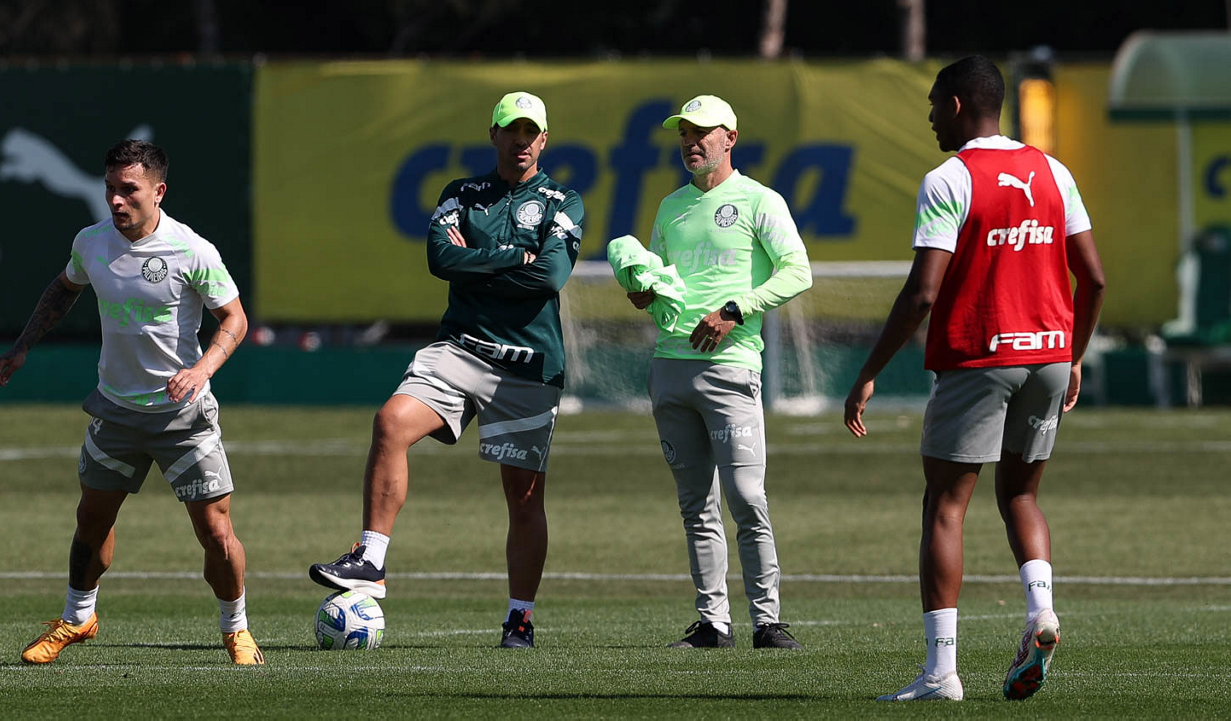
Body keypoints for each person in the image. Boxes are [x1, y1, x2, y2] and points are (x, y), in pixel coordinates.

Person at [843, 56, 1106, 701]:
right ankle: (1040, 611)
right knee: (1020, 496)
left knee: (945, 505)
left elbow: (923, 293)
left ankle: (941, 674)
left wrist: (869, 371)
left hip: (979, 357)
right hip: (1048, 355)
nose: (931, 118)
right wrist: (1073, 356)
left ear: (957, 105)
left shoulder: (949, 178)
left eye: (934, 104)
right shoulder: (1054, 171)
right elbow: (1095, 278)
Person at [308, 91, 583, 649]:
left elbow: (551, 277)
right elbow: (441, 259)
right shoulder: (461, 193)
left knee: (523, 498)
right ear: (494, 134)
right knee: (390, 422)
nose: (521, 141)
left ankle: (520, 619)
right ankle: (371, 560)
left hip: (528, 364)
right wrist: (516, 256)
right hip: (458, 350)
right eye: (511, 130)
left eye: (531, 132)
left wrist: (478, 261)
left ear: (544, 139)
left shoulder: (564, 201)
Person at [0, 140, 263, 665]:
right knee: (91, 520)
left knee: (215, 531)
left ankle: (236, 628)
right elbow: (64, 288)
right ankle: (78, 617)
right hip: (115, 412)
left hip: (183, 417)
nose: (116, 200)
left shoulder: (192, 250)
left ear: (159, 192)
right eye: (110, 189)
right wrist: (23, 345)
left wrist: (201, 370)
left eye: (129, 190)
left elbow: (235, 318)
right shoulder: (91, 242)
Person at [627, 95, 813, 650]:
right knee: (695, 505)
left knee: (747, 497)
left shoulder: (760, 199)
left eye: (702, 132)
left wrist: (736, 310)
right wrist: (644, 292)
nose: (691, 142)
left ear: (730, 137)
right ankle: (713, 623)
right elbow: (659, 283)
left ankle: (767, 621)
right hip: (670, 368)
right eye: (684, 133)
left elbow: (797, 271)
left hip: (731, 368)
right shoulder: (670, 207)